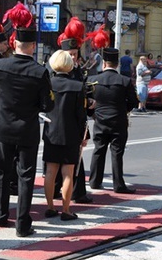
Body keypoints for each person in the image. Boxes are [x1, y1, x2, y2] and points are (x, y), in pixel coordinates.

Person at [0, 2, 53, 237]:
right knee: (25, 176)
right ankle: (22, 224)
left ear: (14, 43)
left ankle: (0, 216)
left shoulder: (1, 65)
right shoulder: (40, 71)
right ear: (32, 46)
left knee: (1, 171)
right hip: (28, 129)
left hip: (4, 126)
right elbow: (48, 104)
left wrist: (2, 97)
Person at [87, 40, 138, 194]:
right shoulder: (125, 80)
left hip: (100, 120)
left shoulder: (93, 80)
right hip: (118, 121)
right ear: (117, 64)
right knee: (117, 153)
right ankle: (118, 184)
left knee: (98, 150)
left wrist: (93, 115)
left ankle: (95, 181)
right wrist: (124, 111)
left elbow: (86, 102)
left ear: (104, 63)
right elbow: (134, 102)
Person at [42, 50, 87, 221]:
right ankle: (66, 210)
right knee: (68, 172)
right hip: (70, 133)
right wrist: (84, 134)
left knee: (50, 171)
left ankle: (50, 207)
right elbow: (81, 115)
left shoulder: (48, 84)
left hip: (51, 132)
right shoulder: (77, 86)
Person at [54, 17, 93, 204]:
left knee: (77, 157)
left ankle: (78, 192)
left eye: (75, 54)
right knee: (55, 160)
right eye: (69, 54)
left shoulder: (78, 70)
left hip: (77, 116)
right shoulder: (55, 69)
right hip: (60, 117)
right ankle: (57, 191)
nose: (73, 58)